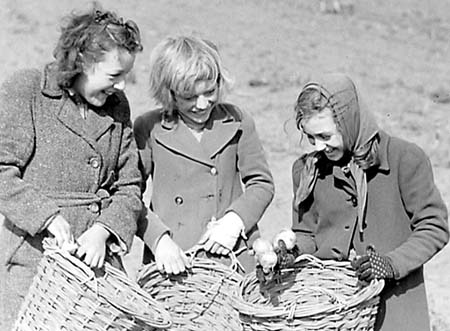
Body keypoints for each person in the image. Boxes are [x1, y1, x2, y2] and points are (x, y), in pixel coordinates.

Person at [0, 5, 143, 329]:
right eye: (113, 76)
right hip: (34, 263)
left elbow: (130, 184)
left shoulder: (117, 106)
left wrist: (103, 231)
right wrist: (47, 217)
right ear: (82, 62)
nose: (120, 87)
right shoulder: (28, 91)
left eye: (125, 77)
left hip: (99, 267)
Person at [290, 73, 449, 330]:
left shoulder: (403, 159)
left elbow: (434, 227)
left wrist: (391, 263)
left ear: (349, 122)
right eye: (311, 138)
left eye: (326, 136)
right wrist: (290, 251)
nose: (319, 146)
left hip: (396, 308)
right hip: (337, 313)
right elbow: (307, 233)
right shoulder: (306, 171)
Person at [134, 35, 274, 275]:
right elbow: (129, 195)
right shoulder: (149, 127)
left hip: (230, 253)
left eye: (209, 92)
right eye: (189, 97)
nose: (202, 104)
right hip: (174, 258)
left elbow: (261, 184)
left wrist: (235, 221)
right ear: (169, 93)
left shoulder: (237, 121)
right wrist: (159, 240)